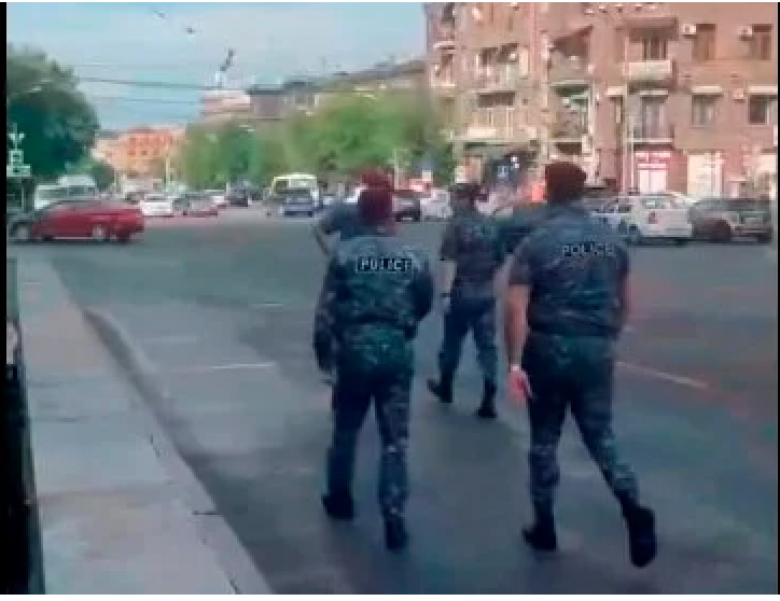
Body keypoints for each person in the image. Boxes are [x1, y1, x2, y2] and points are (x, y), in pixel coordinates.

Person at [503, 161, 657, 568]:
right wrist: (605, 339)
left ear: (550, 190)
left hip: (548, 349)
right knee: (601, 436)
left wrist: (515, 362)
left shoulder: (537, 242)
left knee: (544, 440)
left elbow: (516, 308)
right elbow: (626, 304)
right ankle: (632, 505)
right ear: (582, 190)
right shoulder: (610, 240)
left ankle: (545, 525)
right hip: (596, 348)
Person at [313, 182, 435, 552]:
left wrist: (324, 355)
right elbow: (424, 300)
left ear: (361, 214)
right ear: (390, 213)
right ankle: (393, 514)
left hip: (354, 348)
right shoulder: (412, 255)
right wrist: (404, 325)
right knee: (394, 438)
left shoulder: (346, 254)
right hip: (396, 347)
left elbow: (326, 311)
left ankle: (340, 498)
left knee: (346, 428)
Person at [427, 182, 506, 419]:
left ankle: (446, 386)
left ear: (464, 199)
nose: (451, 202)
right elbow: (500, 260)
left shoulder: (455, 226)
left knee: (452, 342)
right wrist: (494, 290)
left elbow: (449, 261)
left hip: (461, 292)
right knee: (487, 347)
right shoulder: (491, 225)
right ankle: (489, 395)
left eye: (454, 197)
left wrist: (445, 294)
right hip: (486, 293)